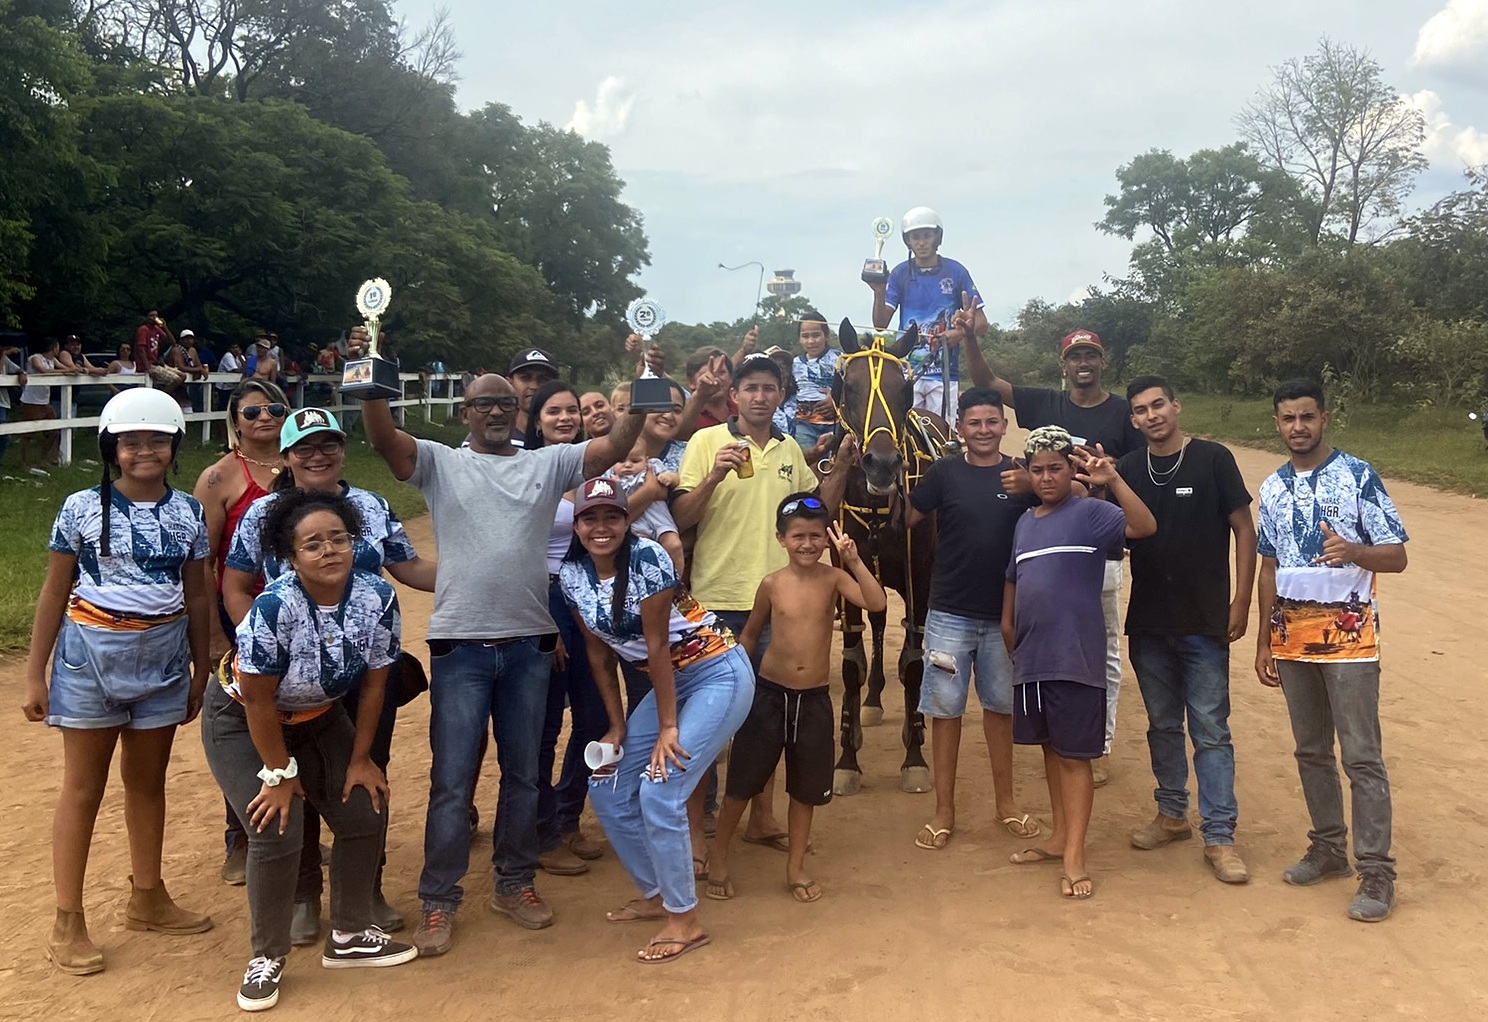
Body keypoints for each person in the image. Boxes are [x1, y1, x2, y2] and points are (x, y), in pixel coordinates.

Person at [362, 345, 644, 956]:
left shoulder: (545, 463)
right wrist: (373, 386)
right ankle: (439, 900)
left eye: (505, 403)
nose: (494, 411)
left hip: (528, 646)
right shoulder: (440, 463)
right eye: (483, 403)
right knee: (451, 780)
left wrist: (643, 396)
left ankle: (513, 883)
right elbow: (385, 440)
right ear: (465, 412)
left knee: (521, 774)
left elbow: (611, 448)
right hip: (459, 646)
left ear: (518, 410)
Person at [222, 408, 436, 942]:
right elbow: (236, 584)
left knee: (365, 770)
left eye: (328, 444)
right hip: (289, 679)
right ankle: (302, 895)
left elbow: (408, 567)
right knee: (293, 777)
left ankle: (364, 891)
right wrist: (263, 647)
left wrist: (478, 572)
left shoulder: (370, 506)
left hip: (361, 669)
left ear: (342, 449)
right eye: (305, 447)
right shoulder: (264, 512)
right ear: (287, 456)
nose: (317, 455)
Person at [22, 388, 214, 975]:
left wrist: (201, 665)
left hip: (163, 658)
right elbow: (56, 588)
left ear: (174, 446)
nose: (145, 451)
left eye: (157, 440)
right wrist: (35, 673)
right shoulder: (81, 507)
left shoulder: (188, 513)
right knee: (83, 787)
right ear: (112, 449)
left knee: (148, 782)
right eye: (131, 442)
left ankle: (147, 896)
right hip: (89, 656)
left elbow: (198, 592)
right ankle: (67, 919)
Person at [204, 490, 417, 1011]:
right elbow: (258, 699)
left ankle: (349, 933)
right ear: (291, 556)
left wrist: (361, 759)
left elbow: (375, 684)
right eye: (313, 544)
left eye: (338, 539)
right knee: (276, 824)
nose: (328, 551)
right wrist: (279, 775)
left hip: (320, 717)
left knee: (365, 806)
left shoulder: (377, 597)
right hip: (243, 720)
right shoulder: (275, 606)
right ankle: (267, 955)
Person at [559, 478, 753, 962]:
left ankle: (685, 920)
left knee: (660, 790)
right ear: (576, 525)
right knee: (607, 787)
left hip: (716, 672)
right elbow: (599, 654)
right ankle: (658, 894)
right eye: (590, 518)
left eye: (612, 516)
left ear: (627, 521)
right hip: (673, 682)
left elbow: (658, 644)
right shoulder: (572, 576)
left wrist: (668, 728)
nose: (601, 527)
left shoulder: (647, 558)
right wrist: (617, 725)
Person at [674, 353, 845, 852]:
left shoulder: (790, 447)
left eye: (769, 388)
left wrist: (842, 465)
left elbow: (813, 515)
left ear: (781, 395)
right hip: (714, 600)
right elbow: (682, 517)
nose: (760, 397)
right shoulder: (706, 442)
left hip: (775, 602)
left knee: (764, 722)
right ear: (734, 395)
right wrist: (713, 476)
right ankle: (696, 832)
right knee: (704, 725)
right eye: (750, 388)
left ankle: (762, 819)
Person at [1255, 379, 1409, 923]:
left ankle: (1377, 870)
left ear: (1324, 419)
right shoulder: (1271, 487)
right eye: (1288, 418)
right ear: (1277, 424)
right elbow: (1268, 567)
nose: (1298, 427)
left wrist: (1355, 551)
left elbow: (1396, 557)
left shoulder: (1358, 476)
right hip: (1293, 639)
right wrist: (1264, 638)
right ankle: (1327, 847)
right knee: (1311, 750)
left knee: (1361, 754)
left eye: (1307, 417)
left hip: (1349, 639)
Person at [973, 328, 1145, 785]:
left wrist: (1099, 476)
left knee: (1103, 649)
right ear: (1063, 364)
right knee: (1051, 640)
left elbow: (1135, 469)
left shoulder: (1122, 413)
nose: (1083, 363)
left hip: (1101, 544)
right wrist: (970, 337)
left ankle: (1098, 743)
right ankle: (1057, 732)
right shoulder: (1046, 403)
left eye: (1091, 355)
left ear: (1102, 361)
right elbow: (988, 382)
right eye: (1075, 356)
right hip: (1049, 544)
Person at [1001, 426, 1155, 900]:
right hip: (1033, 658)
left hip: (1076, 659)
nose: (1047, 478)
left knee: (1074, 758)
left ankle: (1075, 856)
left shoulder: (1092, 514)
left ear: (1072, 470)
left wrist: (1114, 479)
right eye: (1038, 470)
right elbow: (1014, 579)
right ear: (1027, 473)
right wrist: (1008, 627)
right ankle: (1057, 838)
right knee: (1050, 749)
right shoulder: (1025, 523)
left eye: (1056, 468)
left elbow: (1144, 526)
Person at [707, 495, 886, 903]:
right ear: (781, 539)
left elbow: (876, 603)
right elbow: (750, 635)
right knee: (743, 782)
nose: (807, 544)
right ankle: (718, 856)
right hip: (769, 695)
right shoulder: (771, 584)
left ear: (826, 539)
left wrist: (853, 560)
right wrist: (736, 686)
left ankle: (796, 867)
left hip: (814, 700)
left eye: (815, 536)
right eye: (797, 536)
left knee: (806, 789)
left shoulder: (834, 579)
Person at [1116, 377, 1256, 884]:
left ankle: (1220, 837)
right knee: (1162, 725)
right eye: (1141, 410)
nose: (1151, 415)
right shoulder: (1128, 470)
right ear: (1133, 421)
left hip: (1203, 619)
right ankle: (1172, 814)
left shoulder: (1213, 459)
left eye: (1158, 404)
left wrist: (1241, 600)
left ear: (1176, 406)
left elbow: (1244, 528)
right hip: (1150, 620)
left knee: (1212, 730)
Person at [902, 388, 1041, 851]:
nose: (983, 430)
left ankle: (1006, 803)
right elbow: (908, 517)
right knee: (946, 711)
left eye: (991, 422)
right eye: (974, 423)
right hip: (949, 613)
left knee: (1001, 709)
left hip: (1005, 615)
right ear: (959, 428)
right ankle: (944, 810)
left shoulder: (1021, 474)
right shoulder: (943, 472)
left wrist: (1034, 484)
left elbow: (1063, 501)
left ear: (1004, 426)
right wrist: (884, 476)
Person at [193, 380, 291, 883]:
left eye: (274, 408)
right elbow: (201, 561)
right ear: (235, 420)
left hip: (297, 614)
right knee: (243, 725)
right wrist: (214, 635)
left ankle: (292, 829)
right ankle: (241, 836)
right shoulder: (218, 478)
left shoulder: (301, 464)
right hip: (239, 613)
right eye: (251, 412)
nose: (264, 418)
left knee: (294, 720)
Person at [520, 380, 611, 877]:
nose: (565, 418)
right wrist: (542, 619)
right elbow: (519, 548)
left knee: (595, 717)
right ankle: (541, 833)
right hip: (546, 597)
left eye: (571, 410)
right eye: (553, 411)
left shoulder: (594, 467)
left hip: (588, 598)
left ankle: (566, 814)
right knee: (546, 725)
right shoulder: (526, 470)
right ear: (536, 420)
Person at [867, 207, 988, 416]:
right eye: (915, 237)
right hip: (907, 373)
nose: (921, 242)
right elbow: (880, 324)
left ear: (937, 237)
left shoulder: (956, 271)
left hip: (944, 373)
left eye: (927, 236)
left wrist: (959, 333)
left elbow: (982, 323)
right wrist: (878, 292)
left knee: (942, 431)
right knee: (905, 430)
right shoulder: (899, 273)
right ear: (908, 241)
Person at [606, 440, 684, 574]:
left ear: (646, 460)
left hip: (658, 517)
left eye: (635, 461)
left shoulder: (653, 467)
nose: (628, 465)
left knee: (674, 545)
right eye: (621, 461)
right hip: (635, 523)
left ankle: (677, 580)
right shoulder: (610, 475)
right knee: (641, 552)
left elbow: (676, 479)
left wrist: (669, 478)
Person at [789, 311, 841, 450]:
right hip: (804, 424)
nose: (811, 341)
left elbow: (854, 387)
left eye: (816, 335)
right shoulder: (794, 363)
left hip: (834, 424)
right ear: (799, 338)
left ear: (826, 335)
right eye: (805, 336)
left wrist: (836, 399)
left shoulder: (840, 359)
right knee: (806, 459)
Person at [18, 337, 65, 468]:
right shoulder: (36, 358)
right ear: (53, 347)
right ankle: (25, 462)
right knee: (28, 434)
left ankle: (42, 459)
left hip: (45, 402)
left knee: (54, 432)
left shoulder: (53, 360)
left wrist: (75, 369)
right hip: (31, 401)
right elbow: (42, 370)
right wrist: (66, 371)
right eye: (57, 346)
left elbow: (66, 368)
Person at [507, 347, 560, 448]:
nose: (534, 386)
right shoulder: (493, 440)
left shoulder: (566, 439)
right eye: (525, 378)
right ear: (510, 383)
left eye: (544, 379)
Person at [0, 344, 26, 467]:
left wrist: (22, 373)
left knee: (4, 435)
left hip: (2, 402)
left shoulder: (5, 360)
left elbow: (17, 369)